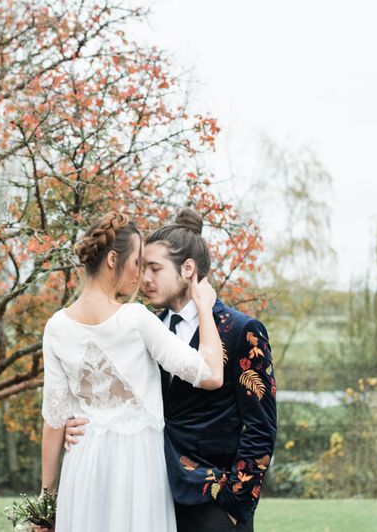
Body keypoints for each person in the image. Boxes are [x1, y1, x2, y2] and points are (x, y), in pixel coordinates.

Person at [66, 209, 277, 531]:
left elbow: (261, 428)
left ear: (187, 269)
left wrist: (234, 507)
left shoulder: (240, 330)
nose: (143, 278)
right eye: (141, 266)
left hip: (212, 503)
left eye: (154, 268)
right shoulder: (141, 328)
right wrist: (78, 424)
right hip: (145, 497)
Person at [40, 211, 225, 532]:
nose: (142, 274)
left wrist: (47, 497)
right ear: (113, 259)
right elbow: (211, 375)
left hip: (83, 465)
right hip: (138, 467)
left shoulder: (56, 327)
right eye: (138, 262)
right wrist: (205, 308)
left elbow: (54, 420)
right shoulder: (136, 319)